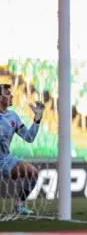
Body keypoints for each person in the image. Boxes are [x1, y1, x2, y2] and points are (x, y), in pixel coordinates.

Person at [0, 84, 45, 214]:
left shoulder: (13, 116)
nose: (12, 95)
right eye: (7, 93)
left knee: (33, 173)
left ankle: (18, 205)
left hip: (4, 160)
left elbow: (29, 137)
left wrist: (37, 119)